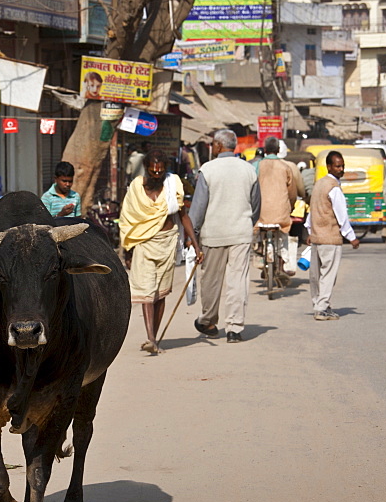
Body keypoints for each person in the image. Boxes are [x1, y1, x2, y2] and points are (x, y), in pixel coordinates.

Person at [119, 150, 202, 354]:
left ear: (165, 170)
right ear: (147, 169)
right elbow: (127, 219)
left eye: (160, 172)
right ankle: (151, 338)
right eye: (153, 171)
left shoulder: (173, 185)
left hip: (167, 242)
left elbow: (183, 216)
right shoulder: (136, 188)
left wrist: (196, 244)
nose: (157, 175)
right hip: (144, 243)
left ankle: (153, 337)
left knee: (161, 293)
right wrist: (126, 250)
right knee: (147, 292)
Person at [188, 129, 260, 344]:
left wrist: (194, 235)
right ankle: (234, 328)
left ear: (218, 146)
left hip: (214, 234)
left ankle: (209, 321)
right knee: (237, 281)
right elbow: (255, 205)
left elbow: (198, 208)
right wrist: (247, 222)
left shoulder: (208, 170)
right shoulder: (249, 170)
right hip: (241, 232)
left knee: (211, 280)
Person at [305, 151, 360, 320]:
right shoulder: (333, 188)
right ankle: (321, 309)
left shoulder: (319, 184)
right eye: (338, 166)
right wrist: (351, 237)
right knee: (328, 275)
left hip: (316, 237)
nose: (341, 169)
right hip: (329, 237)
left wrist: (309, 229)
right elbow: (341, 216)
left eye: (342, 166)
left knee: (316, 275)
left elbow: (313, 210)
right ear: (329, 166)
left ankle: (319, 304)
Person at [255, 136, 305, 277]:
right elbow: (293, 193)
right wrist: (290, 206)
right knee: (283, 233)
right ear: (278, 150)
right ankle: (282, 261)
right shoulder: (286, 167)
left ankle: (258, 246)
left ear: (265, 150)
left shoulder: (257, 166)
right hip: (281, 213)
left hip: (261, 213)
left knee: (256, 228)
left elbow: (252, 189)